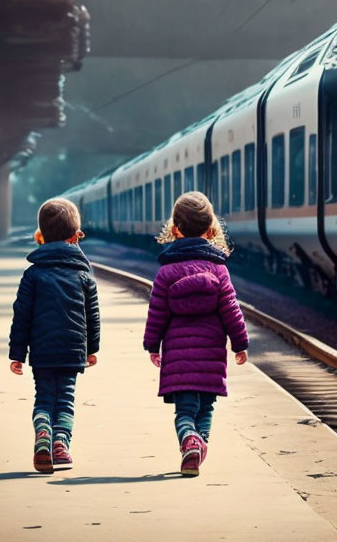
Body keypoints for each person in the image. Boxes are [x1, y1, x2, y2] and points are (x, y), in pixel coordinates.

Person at [143, 191, 249, 477]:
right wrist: (240, 343)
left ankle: (189, 440)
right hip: (211, 356)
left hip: (178, 358)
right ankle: (198, 443)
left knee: (184, 411)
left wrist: (152, 345)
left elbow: (157, 313)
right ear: (212, 230)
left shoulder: (166, 272)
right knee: (207, 407)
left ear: (175, 229)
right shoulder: (219, 270)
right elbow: (231, 310)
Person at [8, 198, 101, 474]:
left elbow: (21, 316)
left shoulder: (32, 275)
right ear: (75, 237)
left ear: (40, 236)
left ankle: (43, 436)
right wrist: (91, 349)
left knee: (44, 397)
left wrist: (17, 354)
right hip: (73, 351)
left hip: (43, 352)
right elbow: (92, 316)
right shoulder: (84, 275)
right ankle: (60, 444)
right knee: (65, 400)